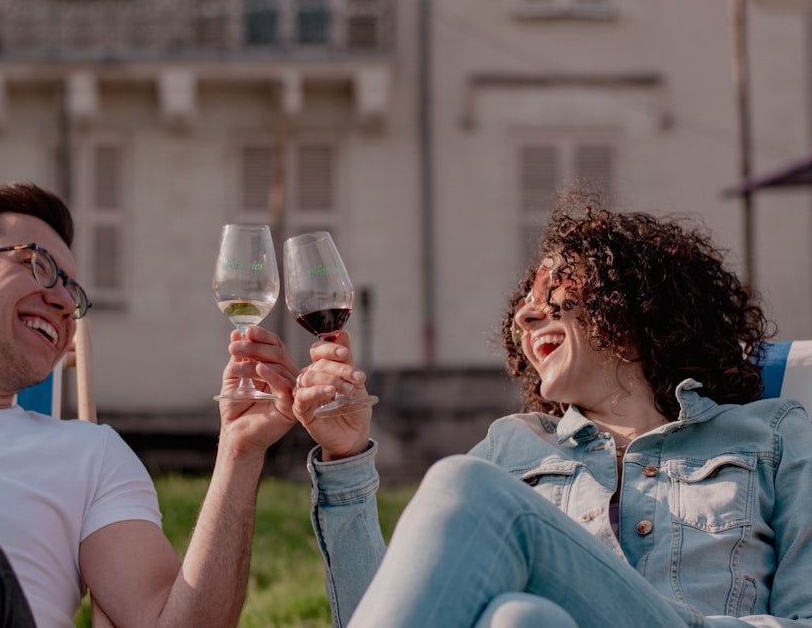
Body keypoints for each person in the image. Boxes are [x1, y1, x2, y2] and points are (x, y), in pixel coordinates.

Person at [290, 194, 812, 627]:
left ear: (630, 302)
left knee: (461, 484)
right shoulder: (513, 446)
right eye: (525, 300)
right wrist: (346, 457)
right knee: (521, 619)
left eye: (553, 288)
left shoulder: (771, 434)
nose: (524, 313)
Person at [0, 182, 300, 628]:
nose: (65, 302)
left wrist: (239, 454)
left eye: (72, 290)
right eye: (39, 265)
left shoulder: (90, 456)